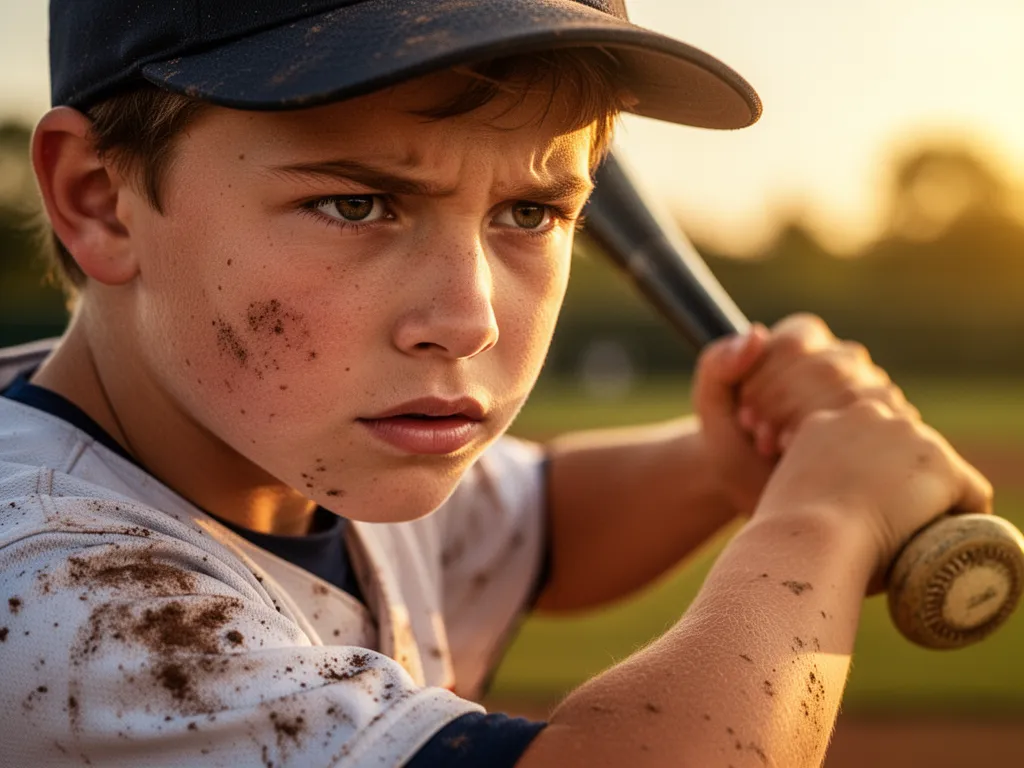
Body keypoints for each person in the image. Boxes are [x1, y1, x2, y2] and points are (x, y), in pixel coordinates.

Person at [0, 1, 992, 766]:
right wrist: (821, 519)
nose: (469, 318)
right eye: (357, 204)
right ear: (101, 200)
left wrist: (736, 453)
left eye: (529, 212)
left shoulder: (305, 447)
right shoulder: (56, 600)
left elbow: (544, 522)